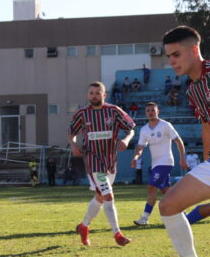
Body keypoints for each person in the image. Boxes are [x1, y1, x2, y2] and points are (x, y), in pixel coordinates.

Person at [159, 25, 210, 257]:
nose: (172, 62)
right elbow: (207, 124)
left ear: (194, 50)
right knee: (168, 205)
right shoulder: (193, 89)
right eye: (169, 57)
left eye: (176, 54)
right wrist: (206, 161)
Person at [69, 81, 135, 246]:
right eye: (91, 93)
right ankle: (117, 234)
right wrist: (74, 145)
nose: (94, 96)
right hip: (92, 160)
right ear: (87, 95)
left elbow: (131, 128)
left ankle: (84, 226)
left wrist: (126, 140)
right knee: (108, 195)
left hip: (110, 161)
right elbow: (72, 132)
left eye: (98, 93)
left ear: (104, 95)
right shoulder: (82, 114)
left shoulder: (114, 111)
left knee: (100, 197)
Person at [131, 102, 187, 226]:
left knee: (151, 187)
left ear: (158, 111)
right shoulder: (144, 129)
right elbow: (140, 147)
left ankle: (144, 218)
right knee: (167, 191)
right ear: (145, 113)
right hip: (155, 164)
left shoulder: (165, 125)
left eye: (153, 110)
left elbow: (178, 141)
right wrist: (135, 157)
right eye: (148, 111)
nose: (151, 112)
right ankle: (184, 214)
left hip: (166, 162)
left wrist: (182, 158)